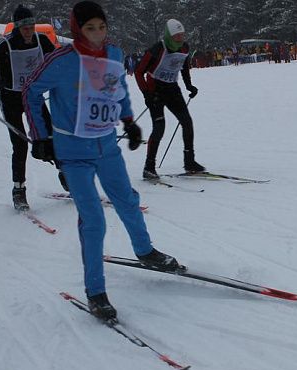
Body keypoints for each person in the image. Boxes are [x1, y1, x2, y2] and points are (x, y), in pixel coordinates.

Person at [23, 1, 180, 321]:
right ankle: (96, 292)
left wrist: (129, 121)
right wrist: (41, 135)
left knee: (128, 200)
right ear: (77, 29)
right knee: (93, 219)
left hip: (107, 146)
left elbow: (117, 89)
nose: (97, 34)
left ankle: (145, 250)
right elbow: (30, 91)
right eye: (89, 28)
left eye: (101, 27)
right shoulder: (61, 60)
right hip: (73, 152)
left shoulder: (114, 54)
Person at [0, 4, 62, 211]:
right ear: (17, 27)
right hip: (10, 98)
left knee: (51, 135)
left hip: (33, 97)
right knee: (20, 143)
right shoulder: (4, 44)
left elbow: (59, 61)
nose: (29, 31)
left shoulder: (42, 40)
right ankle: (19, 190)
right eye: (25, 28)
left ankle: (67, 174)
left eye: (31, 27)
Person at [132, 18, 204, 180]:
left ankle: (189, 161)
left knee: (187, 122)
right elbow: (138, 72)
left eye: (182, 35)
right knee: (159, 128)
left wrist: (189, 86)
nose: (180, 39)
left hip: (172, 89)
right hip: (155, 91)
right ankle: (149, 167)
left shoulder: (184, 48)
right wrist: (146, 94)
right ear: (169, 36)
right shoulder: (157, 49)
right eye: (177, 36)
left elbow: (184, 67)